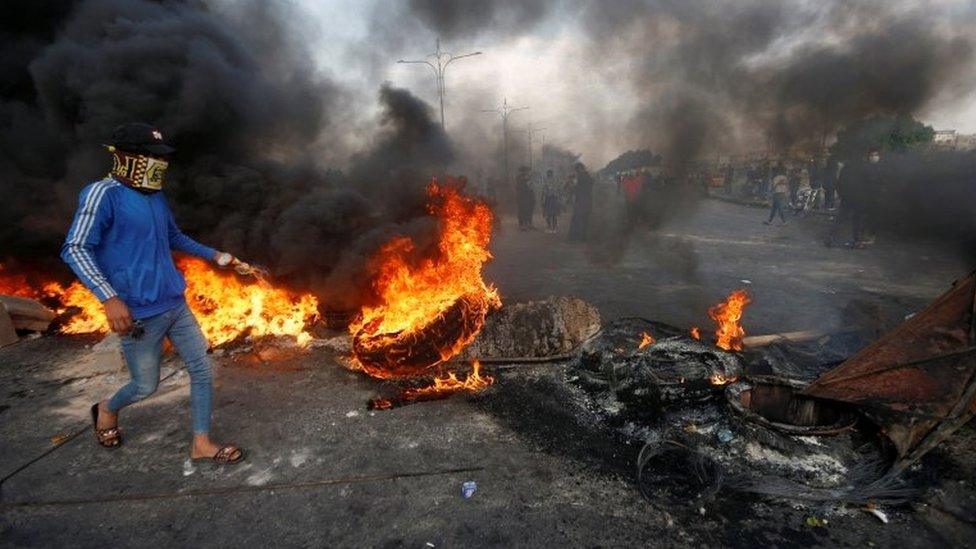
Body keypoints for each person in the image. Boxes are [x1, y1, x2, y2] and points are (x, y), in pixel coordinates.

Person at [61, 123, 245, 464]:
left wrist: (217, 256)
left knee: (202, 370)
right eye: (149, 156)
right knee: (146, 386)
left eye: (160, 157)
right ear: (126, 157)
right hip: (139, 314)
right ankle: (106, 408)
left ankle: (201, 444)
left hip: (175, 303)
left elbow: (173, 236)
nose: (158, 164)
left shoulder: (155, 196)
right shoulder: (103, 194)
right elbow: (75, 247)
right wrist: (109, 297)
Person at [568, 162, 593, 241]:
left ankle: (576, 238)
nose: (576, 172)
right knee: (585, 220)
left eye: (576, 170)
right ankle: (583, 237)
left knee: (577, 219)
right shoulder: (588, 177)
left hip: (581, 201)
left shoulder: (580, 177)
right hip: (587, 201)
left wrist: (572, 183)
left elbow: (576, 189)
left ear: (579, 169)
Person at [515, 166, 535, 230]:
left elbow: (531, 187)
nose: (526, 172)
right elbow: (518, 187)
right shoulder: (519, 178)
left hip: (528, 197)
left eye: (526, 171)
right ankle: (521, 225)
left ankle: (528, 224)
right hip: (522, 197)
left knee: (529, 211)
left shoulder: (529, 178)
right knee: (522, 210)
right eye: (525, 171)